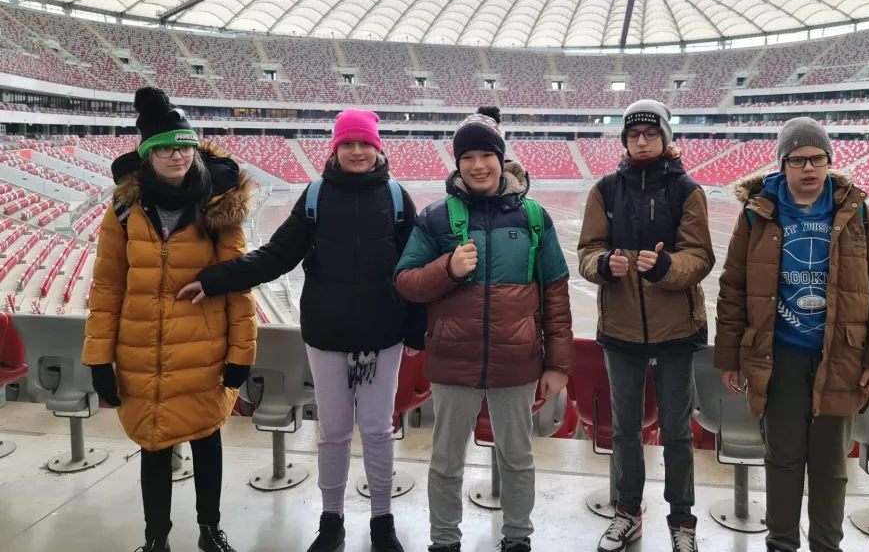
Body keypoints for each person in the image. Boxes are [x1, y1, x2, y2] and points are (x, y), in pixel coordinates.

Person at [176, 108, 423, 552]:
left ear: (377, 147)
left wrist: (417, 330)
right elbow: (277, 255)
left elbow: (415, 269)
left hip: (383, 336)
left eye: (364, 143)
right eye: (347, 143)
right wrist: (215, 279)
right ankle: (331, 521)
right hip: (327, 337)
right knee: (333, 432)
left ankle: (382, 521)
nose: (356, 151)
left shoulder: (397, 198)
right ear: (336, 148)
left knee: (377, 431)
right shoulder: (315, 196)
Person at [716, 117, 869, 552]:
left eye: (817, 159)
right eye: (797, 159)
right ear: (782, 164)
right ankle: (781, 543)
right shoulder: (757, 213)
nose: (808, 168)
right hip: (779, 358)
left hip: (841, 359)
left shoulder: (858, 214)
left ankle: (826, 546)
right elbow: (733, 288)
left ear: (829, 161)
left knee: (830, 467)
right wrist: (729, 357)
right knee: (782, 461)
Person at [82, 86, 257, 552]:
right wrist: (98, 358)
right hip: (143, 352)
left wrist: (241, 354)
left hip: (204, 350)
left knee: (207, 441)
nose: (177, 155)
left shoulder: (218, 206)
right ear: (147, 154)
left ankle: (209, 531)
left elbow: (237, 284)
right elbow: (107, 287)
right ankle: (156, 539)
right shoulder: (123, 210)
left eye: (184, 145)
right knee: (153, 445)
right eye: (164, 148)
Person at [394, 106, 574, 552]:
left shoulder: (533, 218)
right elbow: (405, 282)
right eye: (468, 157)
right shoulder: (436, 218)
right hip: (453, 361)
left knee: (518, 458)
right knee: (446, 462)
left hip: (517, 360)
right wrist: (447, 269)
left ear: (501, 158)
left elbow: (555, 292)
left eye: (486, 155)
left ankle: (517, 539)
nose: (478, 165)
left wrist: (558, 364)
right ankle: (443, 541)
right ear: (457, 163)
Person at [577, 99, 715, 552]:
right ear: (624, 140)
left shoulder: (686, 190)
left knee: (677, 431)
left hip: (676, 330)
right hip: (621, 330)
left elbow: (700, 257)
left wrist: (666, 267)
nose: (641, 141)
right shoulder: (604, 190)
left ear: (665, 138)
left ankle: (682, 520)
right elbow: (586, 251)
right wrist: (603, 263)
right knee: (624, 430)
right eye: (633, 135)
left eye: (650, 134)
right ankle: (627, 511)